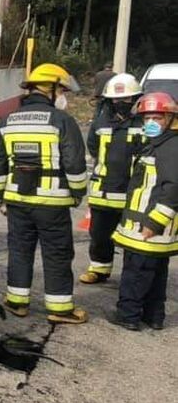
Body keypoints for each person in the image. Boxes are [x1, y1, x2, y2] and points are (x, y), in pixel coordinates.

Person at [0, 63, 89, 324]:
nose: (63, 95)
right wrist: (78, 191)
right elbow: (75, 163)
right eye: (61, 90)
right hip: (52, 203)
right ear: (51, 89)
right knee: (56, 253)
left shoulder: (7, 121)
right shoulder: (62, 121)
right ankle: (59, 308)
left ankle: (17, 302)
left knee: (20, 250)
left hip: (17, 201)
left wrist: (0, 195)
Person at [109, 92, 178, 331]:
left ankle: (128, 315)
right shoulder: (157, 144)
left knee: (136, 273)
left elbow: (173, 187)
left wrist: (154, 222)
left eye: (157, 117)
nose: (150, 122)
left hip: (148, 227)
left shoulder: (170, 147)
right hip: (149, 227)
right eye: (147, 117)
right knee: (156, 274)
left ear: (170, 119)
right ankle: (154, 316)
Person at [79, 73, 144, 284]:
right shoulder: (101, 121)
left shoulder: (144, 123)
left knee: (131, 238)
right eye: (116, 99)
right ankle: (99, 269)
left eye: (126, 99)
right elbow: (93, 147)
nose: (121, 103)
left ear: (135, 99)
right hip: (103, 191)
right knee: (99, 234)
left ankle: (131, 276)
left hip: (132, 192)